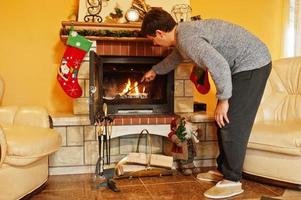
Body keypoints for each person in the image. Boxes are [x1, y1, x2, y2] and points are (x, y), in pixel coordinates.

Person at [140, 8, 272, 199]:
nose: (153, 43)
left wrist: (224, 100)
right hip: (241, 66)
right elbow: (176, 57)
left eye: (152, 39)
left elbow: (219, 66)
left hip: (253, 64)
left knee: (232, 122)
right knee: (221, 120)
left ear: (160, 33)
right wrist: (155, 70)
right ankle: (224, 170)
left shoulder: (188, 38)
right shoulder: (183, 34)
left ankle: (233, 179)